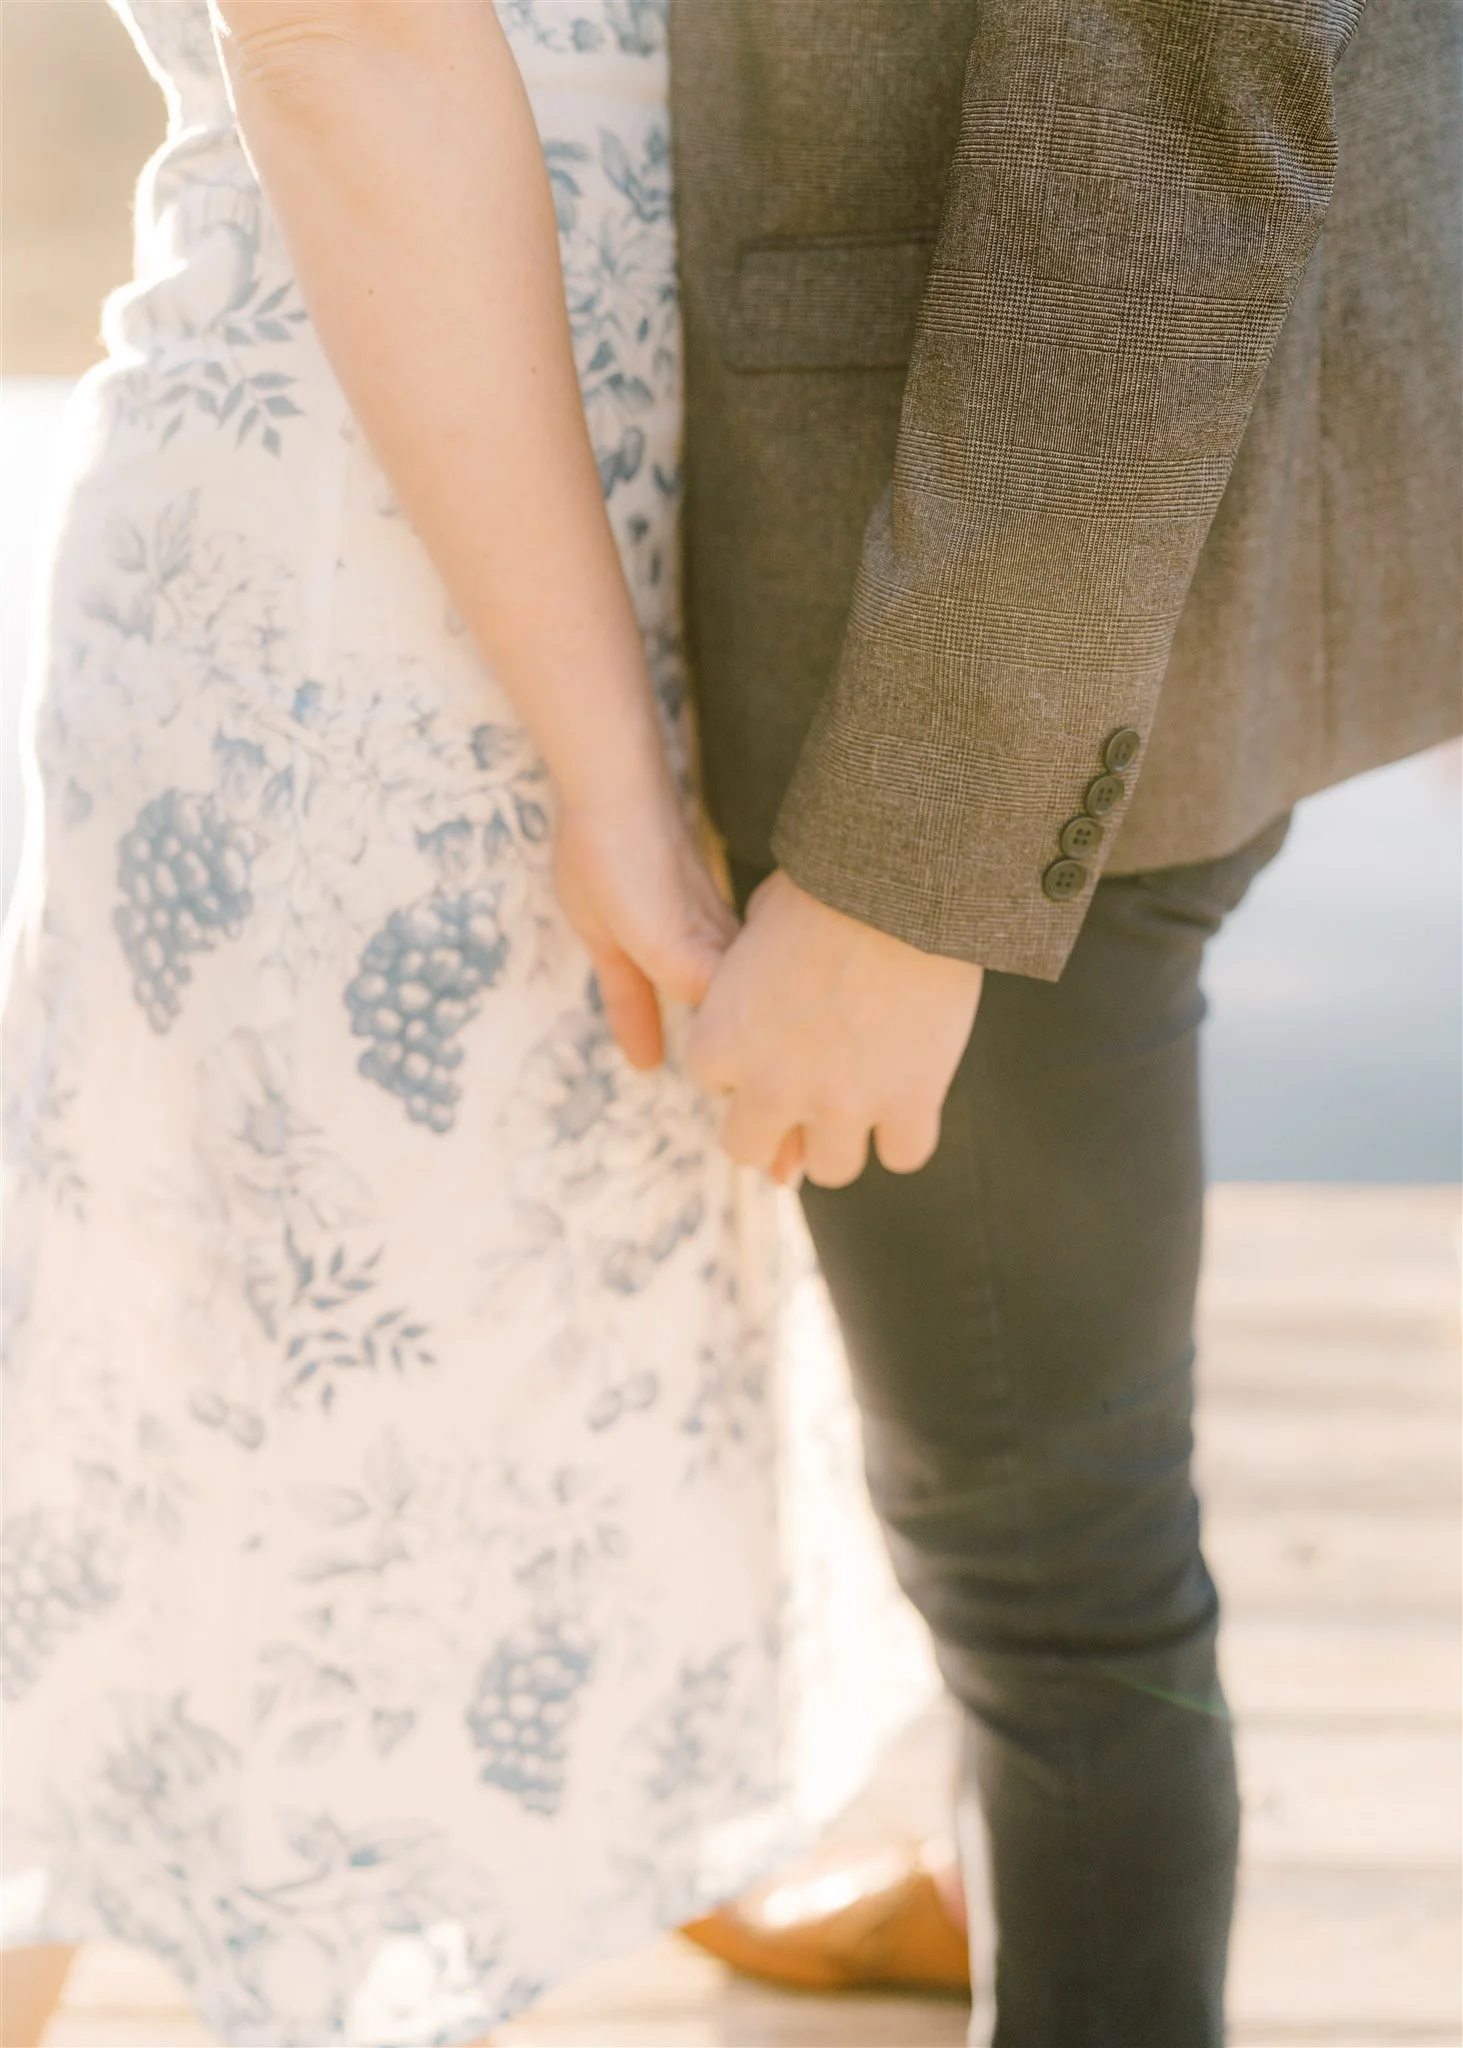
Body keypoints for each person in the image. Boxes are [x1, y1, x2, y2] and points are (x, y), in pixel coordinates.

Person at [0, 5, 935, 2045]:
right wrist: (607, 776)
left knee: (560, 1322)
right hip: (381, 578)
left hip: (648, 526)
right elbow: (350, 53)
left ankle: (673, 1837)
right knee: (281, 1400)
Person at [668, 0, 1461, 2042]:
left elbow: (1165, 97)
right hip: (1088, 518)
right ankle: (976, 1875)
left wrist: (915, 862)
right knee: (1031, 1527)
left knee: (1055, 1579)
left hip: (979, 642)